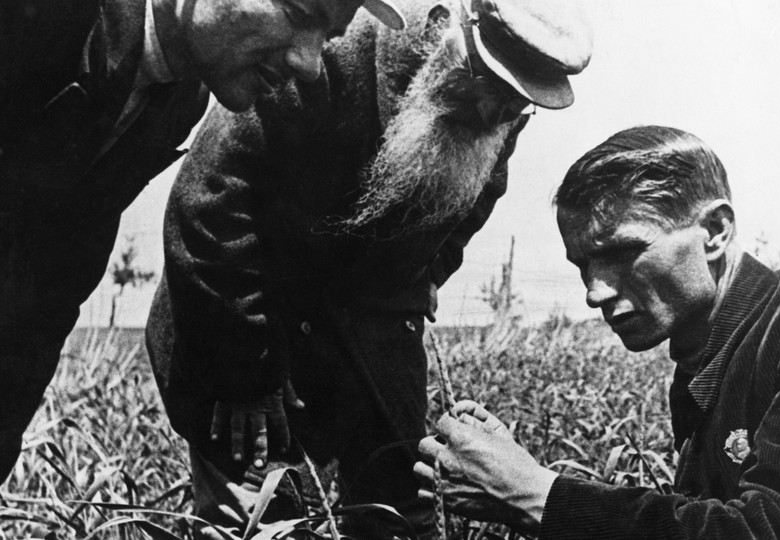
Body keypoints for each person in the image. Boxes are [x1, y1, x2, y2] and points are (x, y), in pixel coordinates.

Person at [144, 0, 592, 537]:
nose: (491, 116)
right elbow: (208, 207)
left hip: (369, 325)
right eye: (488, 87)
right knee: (261, 513)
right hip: (241, 322)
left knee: (401, 511)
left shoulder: (493, 114)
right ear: (446, 32)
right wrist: (246, 379)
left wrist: (412, 285)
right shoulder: (321, 53)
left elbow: (468, 206)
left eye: (514, 105)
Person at [415, 125, 780, 539]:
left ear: (716, 232)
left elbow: (779, 531)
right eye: (583, 265)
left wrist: (536, 494)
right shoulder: (711, 356)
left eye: (623, 252)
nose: (595, 292)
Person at [0, 0, 406, 483]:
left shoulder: (181, 98)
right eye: (299, 15)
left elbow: (56, 276)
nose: (310, 64)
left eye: (328, 38)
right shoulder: (46, 16)